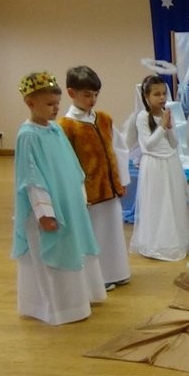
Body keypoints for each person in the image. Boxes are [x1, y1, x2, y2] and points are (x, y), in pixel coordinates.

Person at [11, 71, 105, 325]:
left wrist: (79, 195)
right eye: (49, 104)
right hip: (48, 211)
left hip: (68, 204)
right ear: (30, 103)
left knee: (73, 248)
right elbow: (31, 178)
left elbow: (72, 166)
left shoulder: (55, 129)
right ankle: (62, 308)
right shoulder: (28, 135)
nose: (55, 108)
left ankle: (80, 299)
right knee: (55, 256)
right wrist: (45, 213)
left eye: (57, 103)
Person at [57, 66, 130, 291]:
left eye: (96, 94)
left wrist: (121, 180)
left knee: (113, 233)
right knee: (94, 235)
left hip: (110, 189)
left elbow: (119, 150)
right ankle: (99, 278)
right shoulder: (66, 126)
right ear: (71, 93)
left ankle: (118, 271)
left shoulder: (104, 119)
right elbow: (66, 162)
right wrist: (76, 192)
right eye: (87, 95)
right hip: (89, 194)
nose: (93, 100)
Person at [129, 75, 189, 261]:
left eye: (163, 93)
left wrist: (169, 127)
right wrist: (162, 126)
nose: (162, 98)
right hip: (154, 164)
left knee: (173, 201)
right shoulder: (142, 117)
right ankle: (156, 243)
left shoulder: (166, 113)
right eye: (157, 94)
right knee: (157, 203)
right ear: (146, 96)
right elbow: (147, 145)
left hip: (170, 162)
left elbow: (174, 143)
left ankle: (173, 240)